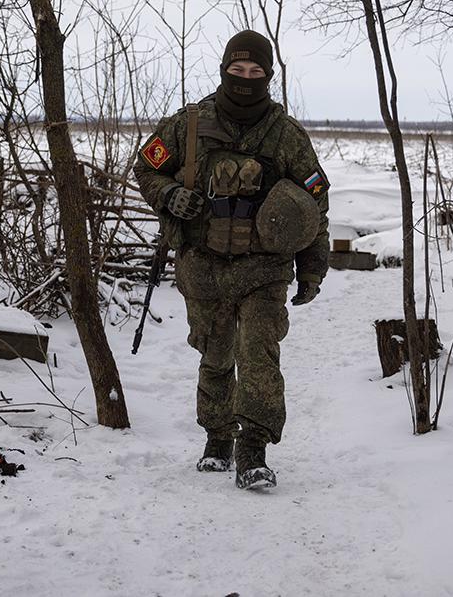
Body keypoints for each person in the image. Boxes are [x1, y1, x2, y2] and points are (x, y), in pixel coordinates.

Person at [132, 29, 330, 490]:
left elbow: (314, 202)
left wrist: (312, 268)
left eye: (256, 71)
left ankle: (253, 450)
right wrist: (171, 195)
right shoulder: (187, 125)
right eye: (238, 70)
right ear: (224, 70)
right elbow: (146, 168)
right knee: (215, 354)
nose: (246, 78)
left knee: (258, 356)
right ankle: (218, 438)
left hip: (263, 270)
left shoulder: (285, 135)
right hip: (203, 266)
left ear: (268, 76)